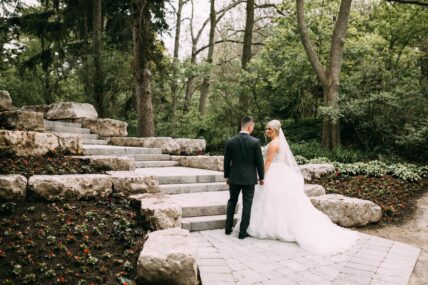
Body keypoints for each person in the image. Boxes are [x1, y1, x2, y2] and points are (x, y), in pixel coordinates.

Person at [246, 119, 358, 255]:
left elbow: (268, 161)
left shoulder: (273, 144)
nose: (267, 131)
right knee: (278, 202)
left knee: (271, 200)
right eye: (266, 128)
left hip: (273, 172)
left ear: (275, 130)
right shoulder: (279, 143)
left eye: (269, 129)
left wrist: (262, 176)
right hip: (281, 171)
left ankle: (275, 227)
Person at [224, 116, 265, 239]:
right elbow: (259, 162)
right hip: (249, 179)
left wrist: (227, 176)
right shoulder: (255, 142)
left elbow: (227, 162)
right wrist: (262, 177)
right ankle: (242, 232)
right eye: (252, 127)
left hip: (234, 178)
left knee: (232, 201)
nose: (252, 129)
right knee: (247, 205)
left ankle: (227, 228)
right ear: (249, 127)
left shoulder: (230, 141)